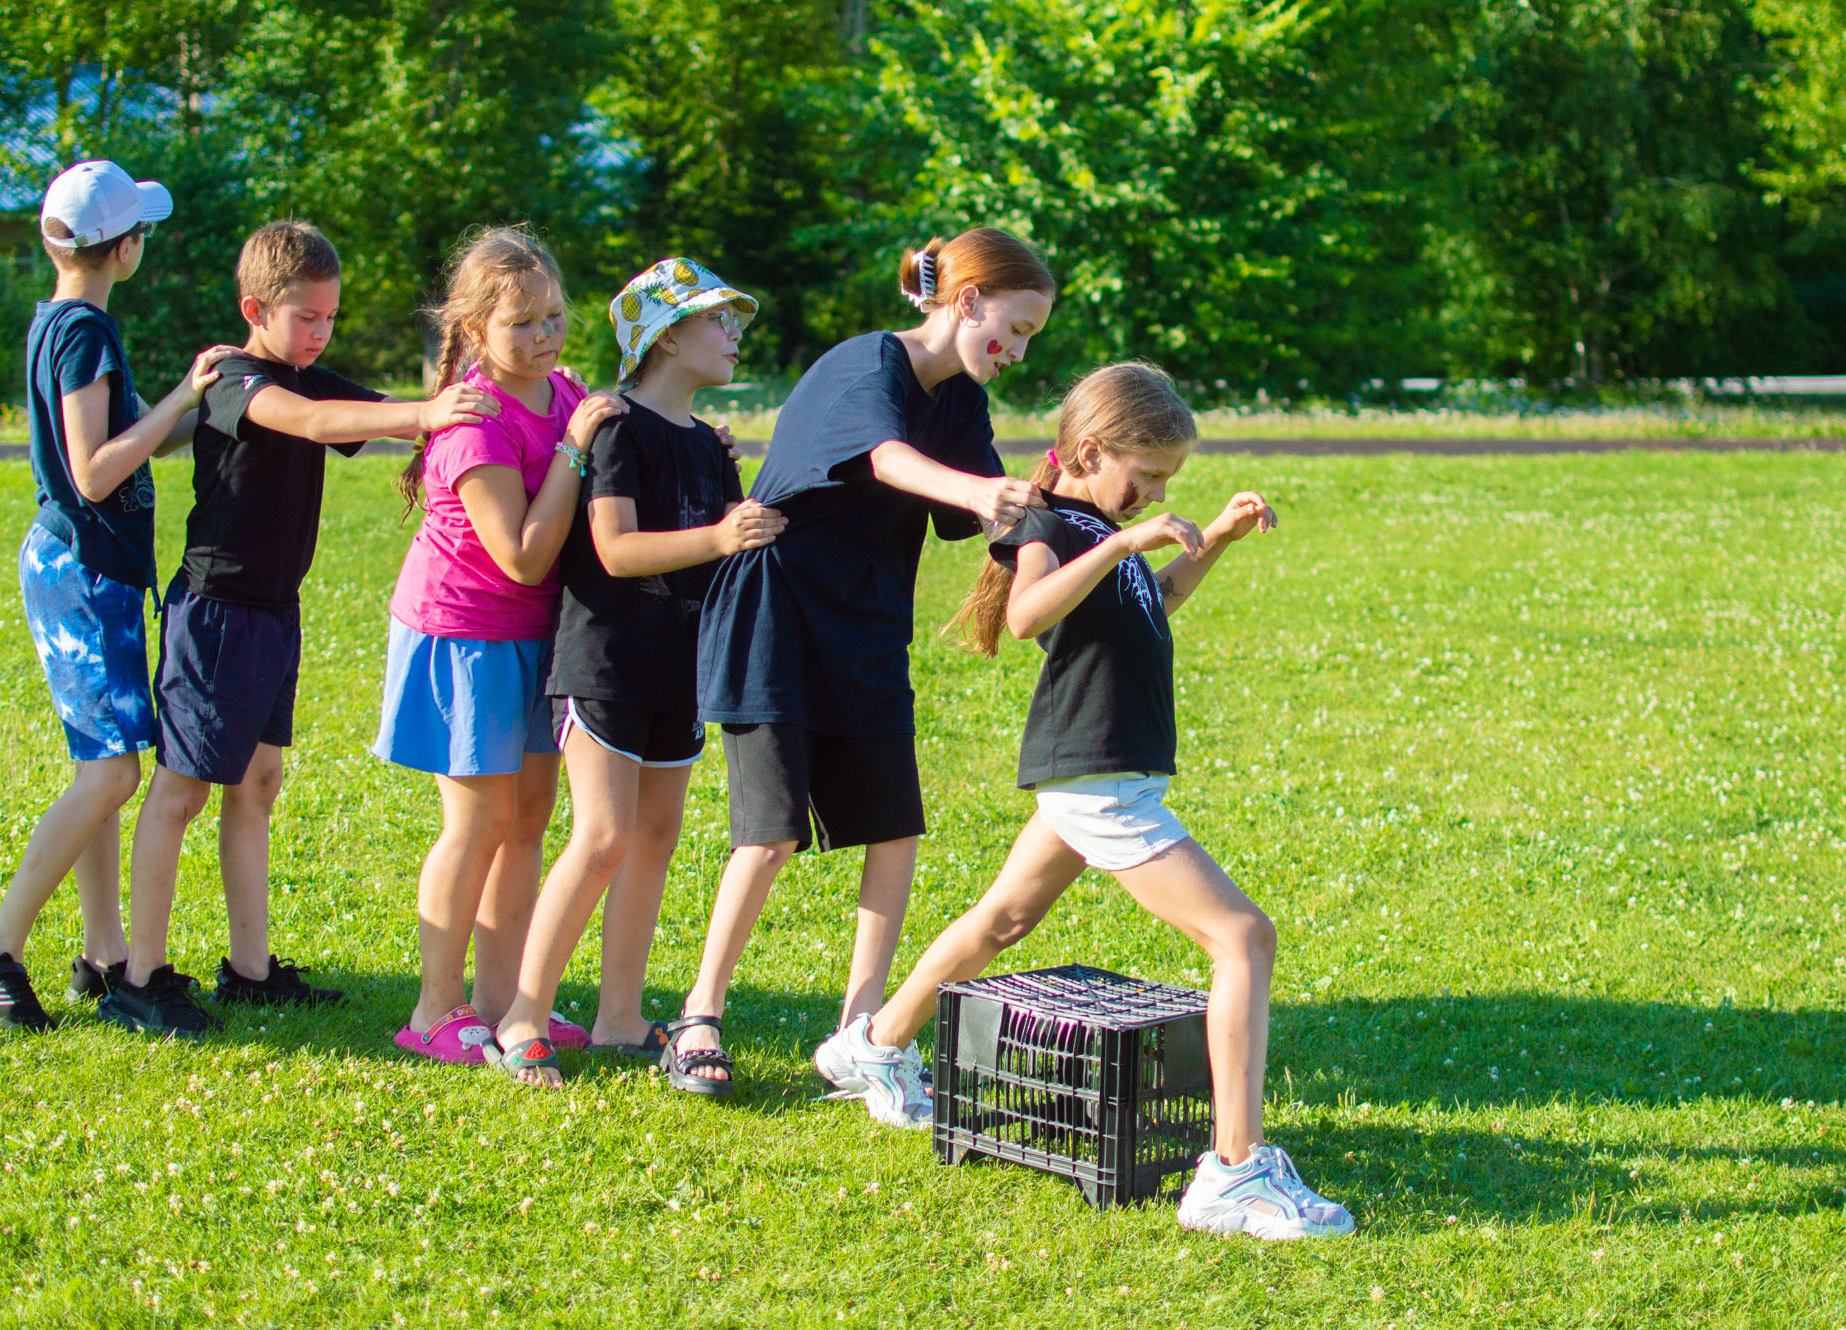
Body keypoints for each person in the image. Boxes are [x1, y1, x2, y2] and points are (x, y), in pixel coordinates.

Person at [814, 362, 1353, 1240]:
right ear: (1092, 451)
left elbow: (1152, 601)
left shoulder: (1103, 529)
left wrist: (1214, 538)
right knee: (1244, 938)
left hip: (1093, 773)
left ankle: (871, 1047)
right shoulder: (1051, 523)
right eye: (1150, 473)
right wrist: (1120, 544)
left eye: (1168, 481)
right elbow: (1026, 614)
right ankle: (1234, 1172)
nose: (1157, 493)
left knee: (1000, 921)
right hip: (1099, 779)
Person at [664, 228, 1055, 1096]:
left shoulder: (961, 400)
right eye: (1015, 329)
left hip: (869, 625)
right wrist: (975, 489)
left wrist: (1075, 521)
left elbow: (985, 519)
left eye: (1031, 337)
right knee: (769, 834)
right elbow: (887, 459)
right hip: (776, 616)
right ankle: (698, 1017)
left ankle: (862, 1030)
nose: (1019, 351)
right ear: (967, 302)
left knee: (893, 827)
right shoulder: (866, 363)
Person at [105, 220, 498, 1036]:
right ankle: (140, 977)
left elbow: (377, 413)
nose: (322, 332)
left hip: (274, 612)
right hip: (214, 614)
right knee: (181, 791)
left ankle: (249, 971)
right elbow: (316, 423)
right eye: (307, 317)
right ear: (255, 309)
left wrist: (469, 396)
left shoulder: (306, 374)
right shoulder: (236, 381)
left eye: (331, 317)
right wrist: (427, 411)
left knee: (256, 784)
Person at [0, 160, 237, 1031]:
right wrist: (181, 395)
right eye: (142, 230)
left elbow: (142, 438)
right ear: (126, 247)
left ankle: (104, 954)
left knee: (100, 768)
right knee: (112, 774)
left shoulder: (63, 322)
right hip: (83, 570)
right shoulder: (85, 336)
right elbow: (96, 472)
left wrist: (217, 399)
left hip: (81, 566)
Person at [489, 257, 784, 1086]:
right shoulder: (618, 428)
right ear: (665, 337)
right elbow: (616, 549)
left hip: (679, 667)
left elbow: (723, 552)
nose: (732, 334)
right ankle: (522, 1016)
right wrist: (722, 536)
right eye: (716, 319)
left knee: (654, 838)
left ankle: (619, 1017)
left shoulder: (707, 445)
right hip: (606, 661)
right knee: (603, 836)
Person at [376, 226, 626, 1065]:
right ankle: (432, 1011)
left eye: (554, 315)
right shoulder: (476, 422)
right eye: (522, 323)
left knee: (527, 819)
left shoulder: (563, 390)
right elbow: (522, 555)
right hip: (465, 635)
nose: (545, 334)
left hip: (537, 635)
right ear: (475, 328)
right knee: (478, 821)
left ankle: (498, 1002)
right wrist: (572, 450)